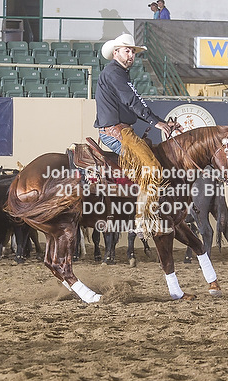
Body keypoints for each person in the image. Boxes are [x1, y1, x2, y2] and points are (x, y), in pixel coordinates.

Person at [94, 33, 173, 239]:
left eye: (133, 52)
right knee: (152, 168)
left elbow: (132, 102)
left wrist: (158, 120)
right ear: (116, 52)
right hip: (118, 132)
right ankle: (142, 221)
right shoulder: (115, 73)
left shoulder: (117, 73)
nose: (131, 55)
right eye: (127, 51)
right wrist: (156, 122)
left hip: (119, 130)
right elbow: (133, 100)